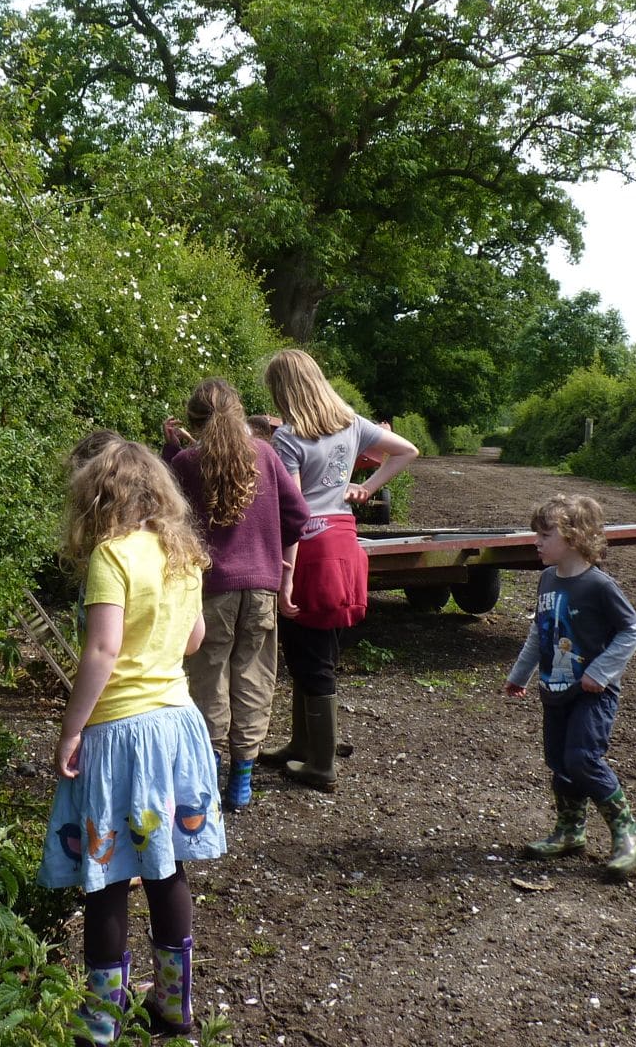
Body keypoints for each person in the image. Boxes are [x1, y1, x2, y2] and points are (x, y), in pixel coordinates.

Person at [37, 440, 224, 1044]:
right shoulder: (184, 553)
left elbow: (102, 650)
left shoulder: (110, 555)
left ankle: (100, 1024)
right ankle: (174, 1008)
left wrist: (71, 729)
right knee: (167, 869)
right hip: (177, 723)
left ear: (98, 495)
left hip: (120, 733)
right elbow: (194, 639)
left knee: (109, 876)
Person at [258, 349, 418, 792]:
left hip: (309, 549)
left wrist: (286, 577)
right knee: (312, 648)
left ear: (284, 389)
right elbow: (407, 450)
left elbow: (292, 514)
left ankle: (321, 764)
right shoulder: (351, 423)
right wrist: (365, 488)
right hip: (344, 542)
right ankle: (300, 745)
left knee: (310, 653)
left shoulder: (289, 438)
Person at [161, 379, 309, 812]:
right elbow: (298, 515)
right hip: (261, 587)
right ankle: (241, 780)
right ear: (239, 412)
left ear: (194, 422)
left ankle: (207, 772)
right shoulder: (264, 454)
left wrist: (172, 452)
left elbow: (170, 511)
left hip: (211, 591)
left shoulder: (189, 461)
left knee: (209, 680)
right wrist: (275, 559)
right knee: (254, 678)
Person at [501, 493, 636, 880]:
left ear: (574, 537)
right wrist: (520, 674)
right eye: (538, 534)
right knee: (559, 761)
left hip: (592, 692)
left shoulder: (599, 585)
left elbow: (632, 630)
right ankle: (570, 831)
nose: (537, 541)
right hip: (554, 688)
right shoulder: (548, 579)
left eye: (545, 534)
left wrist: (601, 672)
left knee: (583, 758)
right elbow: (540, 630)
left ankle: (627, 830)